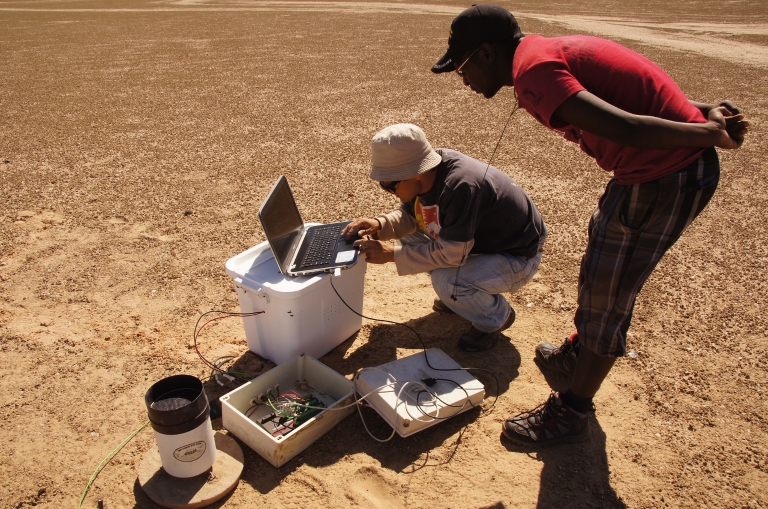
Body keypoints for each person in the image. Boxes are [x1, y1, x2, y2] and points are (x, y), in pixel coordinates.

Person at [431, 4, 749, 446]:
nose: (463, 81)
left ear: (487, 52)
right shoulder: (539, 54)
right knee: (600, 261)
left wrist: (711, 133)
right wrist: (703, 112)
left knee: (609, 292)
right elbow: (632, 97)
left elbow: (627, 127)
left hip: (663, 177)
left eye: (463, 68)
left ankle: (572, 409)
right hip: (644, 174)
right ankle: (581, 351)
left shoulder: (535, 70)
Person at [341, 123, 547, 352]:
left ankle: (496, 317)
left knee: (448, 282)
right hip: (479, 244)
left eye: (390, 186)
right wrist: (381, 224)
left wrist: (391, 255)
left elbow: (452, 255)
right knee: (410, 240)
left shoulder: (460, 187)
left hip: (517, 257)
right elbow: (414, 214)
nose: (388, 190)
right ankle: (462, 300)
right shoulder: (429, 170)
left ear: (415, 174)